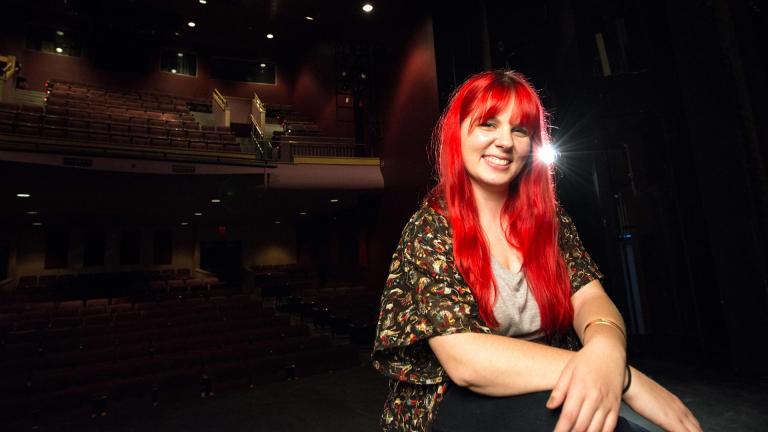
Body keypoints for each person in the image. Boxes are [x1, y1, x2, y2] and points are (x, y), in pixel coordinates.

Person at [372, 70, 701, 432]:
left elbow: (591, 300)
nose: (505, 142)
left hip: (540, 388)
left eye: (519, 130)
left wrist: (606, 351)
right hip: (451, 404)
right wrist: (624, 377)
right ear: (458, 134)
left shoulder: (550, 221)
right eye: (488, 124)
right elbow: (468, 362)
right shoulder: (429, 228)